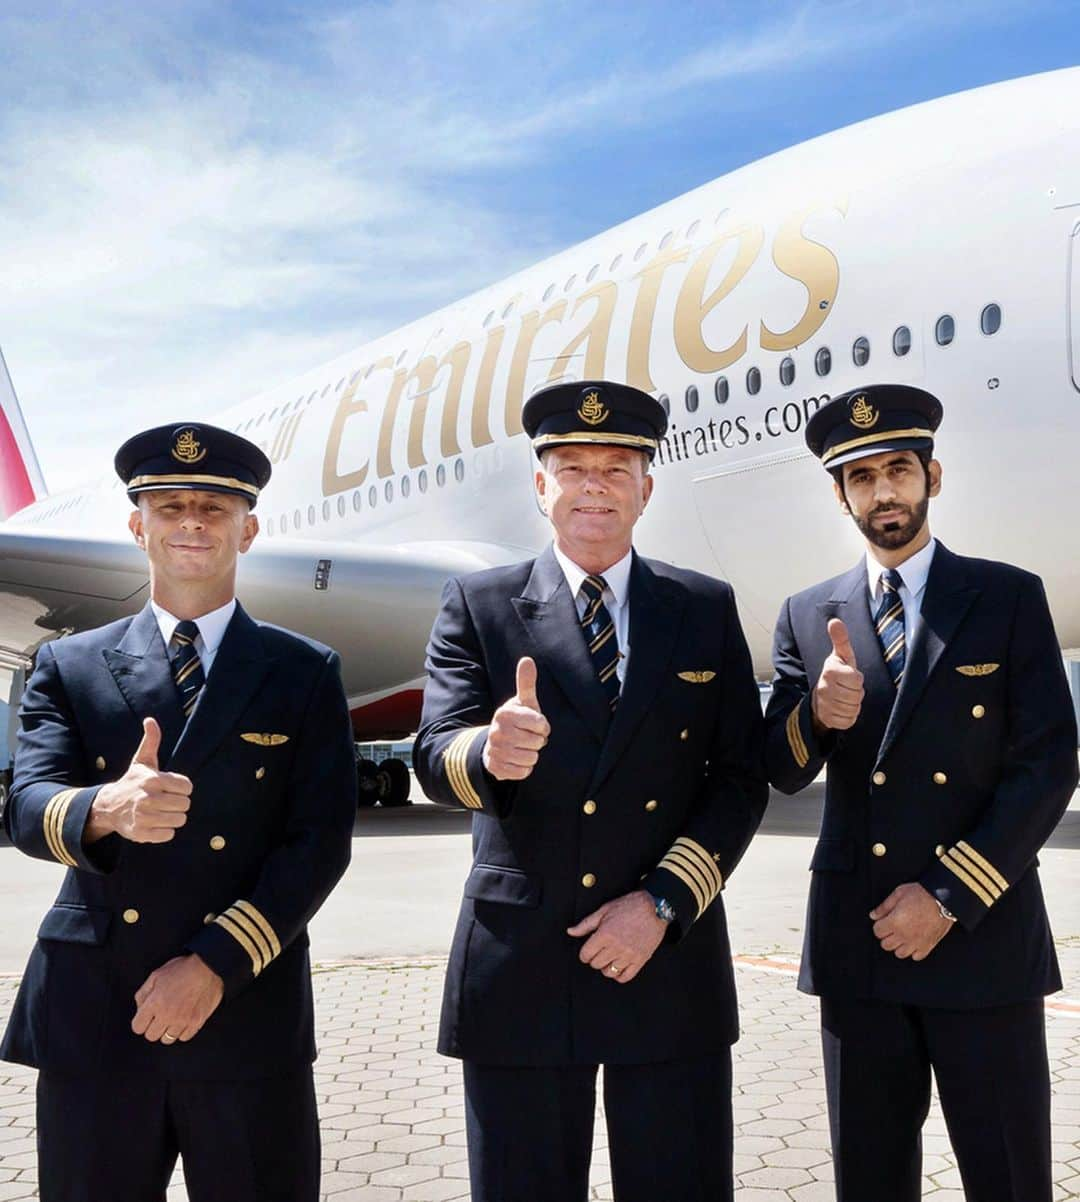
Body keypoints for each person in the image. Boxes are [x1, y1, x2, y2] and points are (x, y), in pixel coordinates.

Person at [413, 379, 768, 1202]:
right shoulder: (480, 603)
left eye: (618, 467)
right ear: (542, 488)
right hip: (524, 959)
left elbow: (739, 778)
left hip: (665, 957)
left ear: (648, 486)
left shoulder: (703, 608)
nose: (595, 485)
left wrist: (665, 903)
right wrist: (488, 753)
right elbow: (436, 751)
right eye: (573, 467)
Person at [1, 422, 357, 1202]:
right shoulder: (69, 661)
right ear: (138, 526)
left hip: (242, 1005)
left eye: (213, 507)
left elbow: (319, 844)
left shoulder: (303, 671)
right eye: (170, 507)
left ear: (249, 529)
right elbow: (25, 807)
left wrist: (211, 966)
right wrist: (106, 808)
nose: (192, 522)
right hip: (99, 1009)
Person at [764, 385, 1077, 1202]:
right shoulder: (807, 614)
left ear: (932, 476)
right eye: (861, 479)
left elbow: (1048, 762)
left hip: (978, 931)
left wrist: (945, 896)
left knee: (1008, 1174)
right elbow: (780, 766)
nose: (883, 493)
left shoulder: (1005, 597)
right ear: (841, 496)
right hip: (859, 941)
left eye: (898, 470)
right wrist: (818, 717)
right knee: (869, 1176)